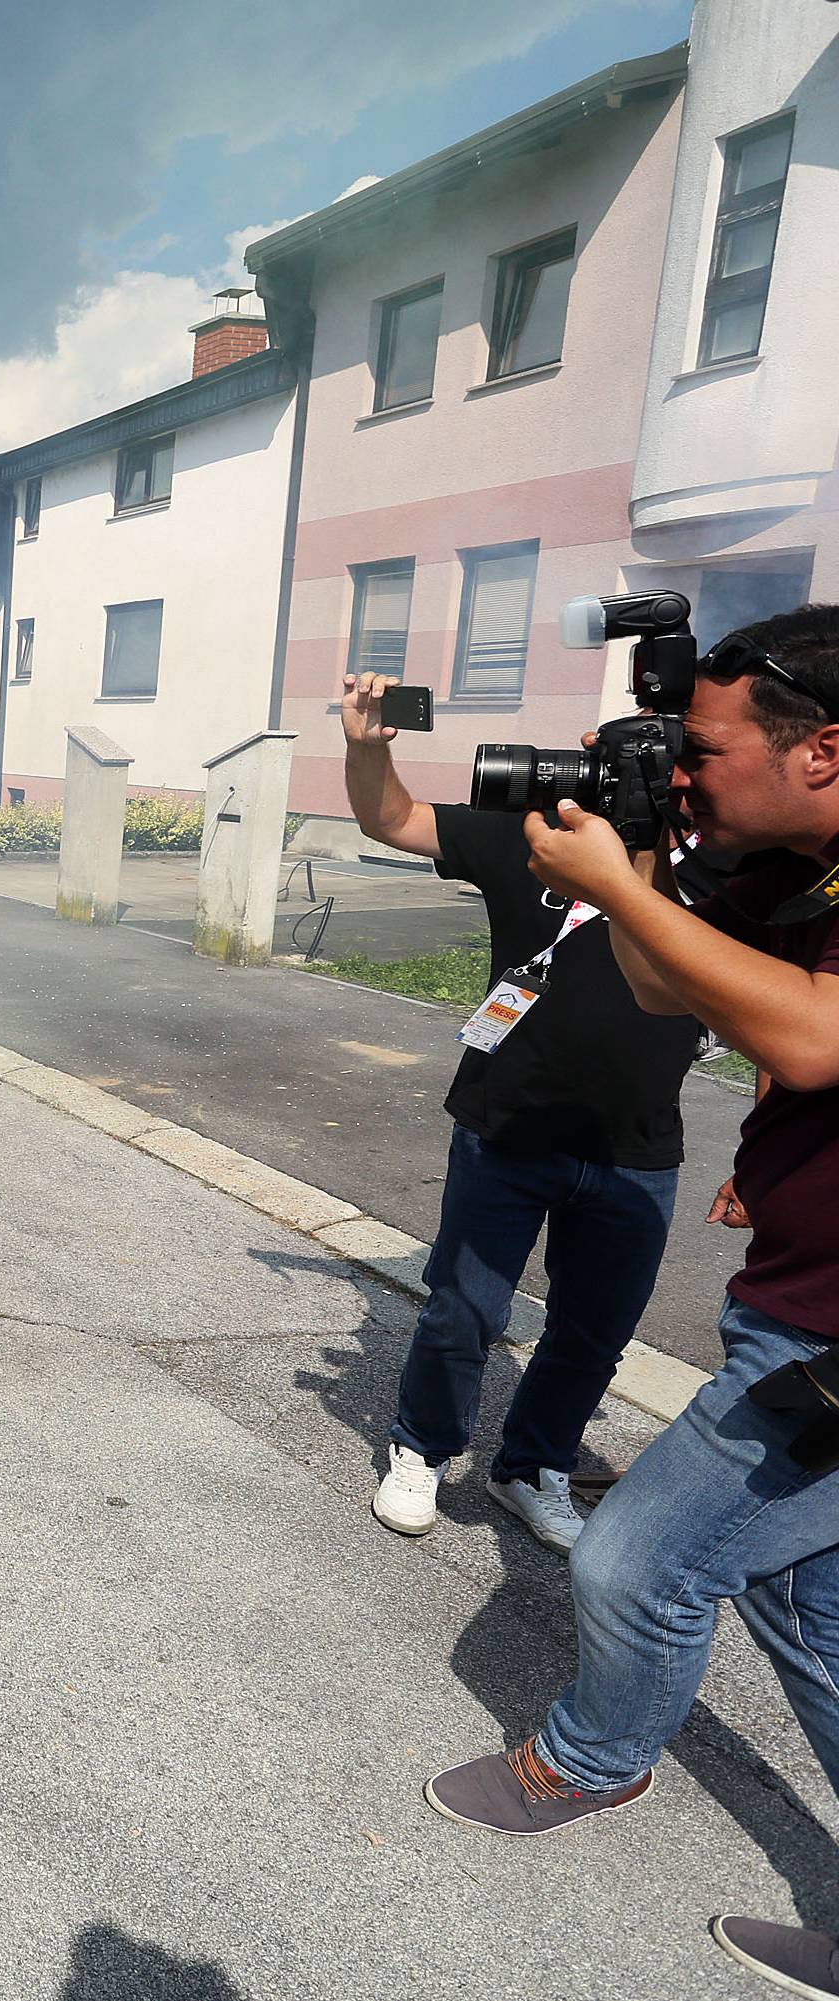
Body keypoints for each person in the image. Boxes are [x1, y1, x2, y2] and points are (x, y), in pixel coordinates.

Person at [421, 607, 839, 1999]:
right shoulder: (798, 871)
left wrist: (634, 875)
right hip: (805, 1295)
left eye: (708, 751)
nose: (694, 772)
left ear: (823, 748)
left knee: (636, 1561)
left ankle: (590, 1764)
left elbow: (810, 1036)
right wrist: (645, 862)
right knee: (810, 1613)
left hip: (830, 1341)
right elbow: (681, 988)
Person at [341, 671, 699, 1554]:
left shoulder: (729, 876)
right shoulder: (536, 834)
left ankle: (531, 1466)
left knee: (593, 1331)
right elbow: (393, 819)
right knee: (464, 1309)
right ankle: (421, 1446)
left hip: (638, 1146)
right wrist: (365, 746)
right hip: (509, 1123)